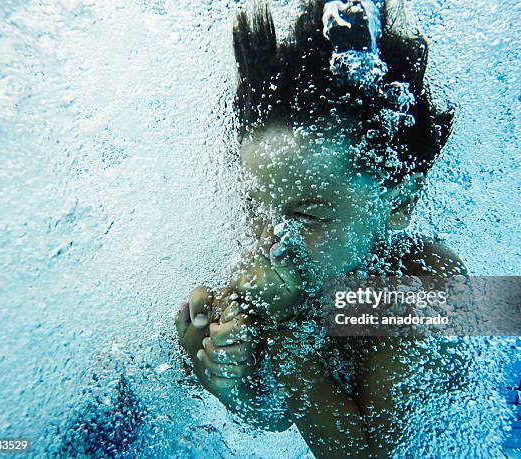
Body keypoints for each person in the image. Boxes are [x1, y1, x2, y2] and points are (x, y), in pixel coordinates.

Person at [175, 1, 466, 456]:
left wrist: (286, 325)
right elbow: (277, 417)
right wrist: (230, 379)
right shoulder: (281, 268)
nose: (273, 240)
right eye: (256, 208)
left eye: (309, 214)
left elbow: (366, 453)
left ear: (401, 199)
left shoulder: (426, 283)